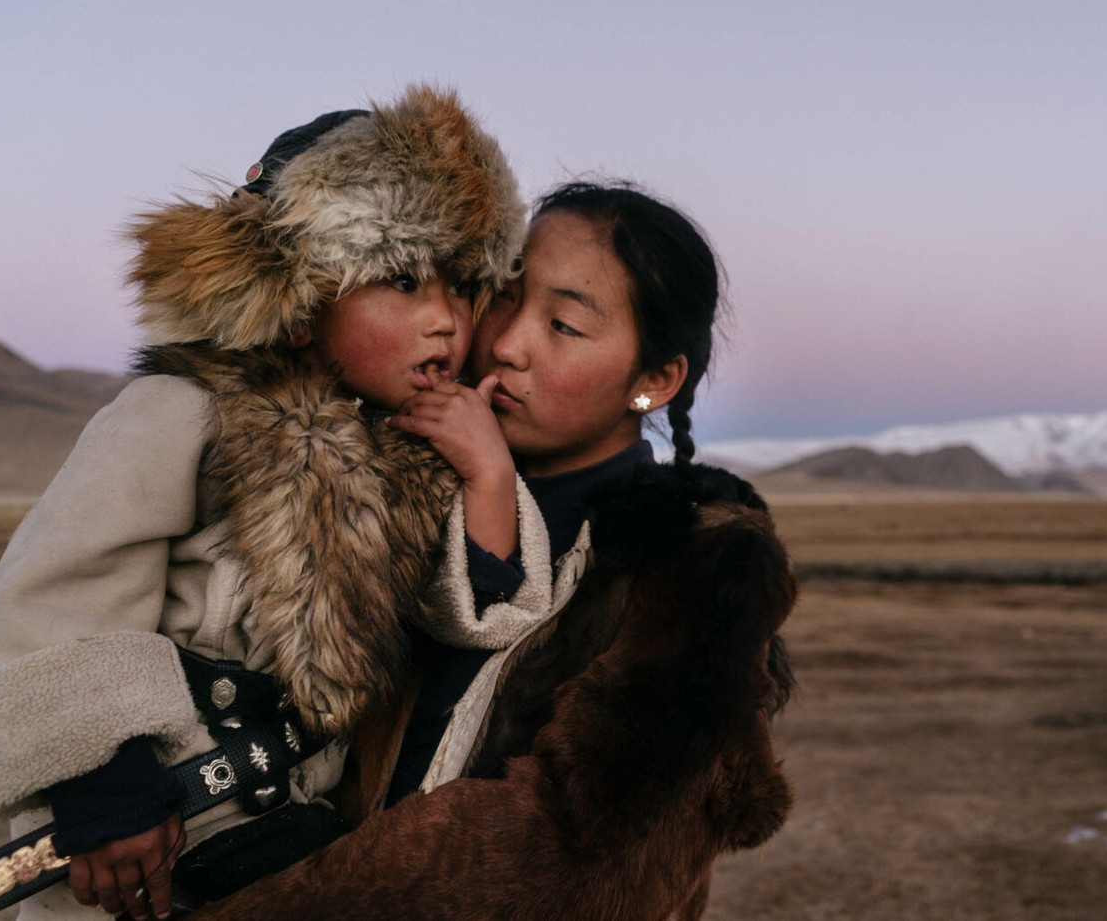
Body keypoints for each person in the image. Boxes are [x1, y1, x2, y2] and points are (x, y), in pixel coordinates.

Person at [0, 86, 525, 920]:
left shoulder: (410, 460)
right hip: (146, 833)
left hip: (288, 830)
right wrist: (106, 787)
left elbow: (464, 619)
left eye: (461, 285)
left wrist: (489, 479)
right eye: (401, 281)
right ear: (301, 306)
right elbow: (52, 599)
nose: (444, 319)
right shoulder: (184, 412)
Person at [189, 183, 798, 921]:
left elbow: (578, 859)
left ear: (653, 380)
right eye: (504, 296)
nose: (507, 343)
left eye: (565, 325)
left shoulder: (697, 564)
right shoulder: (386, 476)